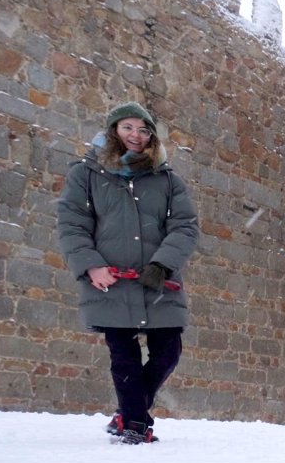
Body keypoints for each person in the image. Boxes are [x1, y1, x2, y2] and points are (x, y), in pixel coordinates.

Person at [56, 101, 200, 444]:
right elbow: (73, 225)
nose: (136, 136)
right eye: (128, 128)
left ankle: (129, 412)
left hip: (158, 279)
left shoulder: (167, 180)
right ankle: (135, 424)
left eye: (143, 129)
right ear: (113, 130)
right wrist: (91, 266)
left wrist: (162, 264)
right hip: (110, 280)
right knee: (124, 355)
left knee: (168, 352)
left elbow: (185, 226)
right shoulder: (85, 175)